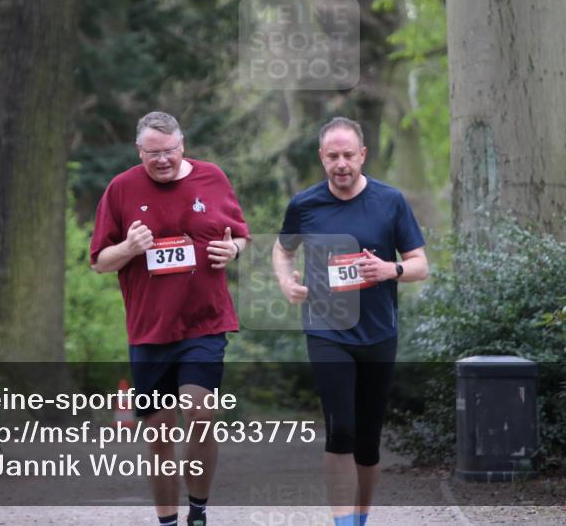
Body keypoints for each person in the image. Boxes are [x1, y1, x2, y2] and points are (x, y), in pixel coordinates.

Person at [90, 112, 250, 526]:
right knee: (159, 434)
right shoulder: (121, 189)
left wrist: (235, 252)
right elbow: (100, 263)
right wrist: (128, 247)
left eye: (169, 151)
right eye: (152, 153)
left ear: (183, 145)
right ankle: (166, 520)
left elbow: (241, 236)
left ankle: (197, 510)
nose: (162, 160)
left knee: (200, 412)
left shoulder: (213, 178)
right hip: (150, 328)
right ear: (139, 151)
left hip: (205, 321)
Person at [271, 117, 428, 526]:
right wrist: (287, 282)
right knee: (341, 430)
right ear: (322, 158)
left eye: (348, 155)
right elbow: (282, 249)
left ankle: (360, 518)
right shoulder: (304, 205)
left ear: (363, 155)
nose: (341, 164)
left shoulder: (389, 201)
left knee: (368, 444)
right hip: (326, 330)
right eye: (333, 156)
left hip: (378, 331)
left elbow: (420, 265)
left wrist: (389, 271)